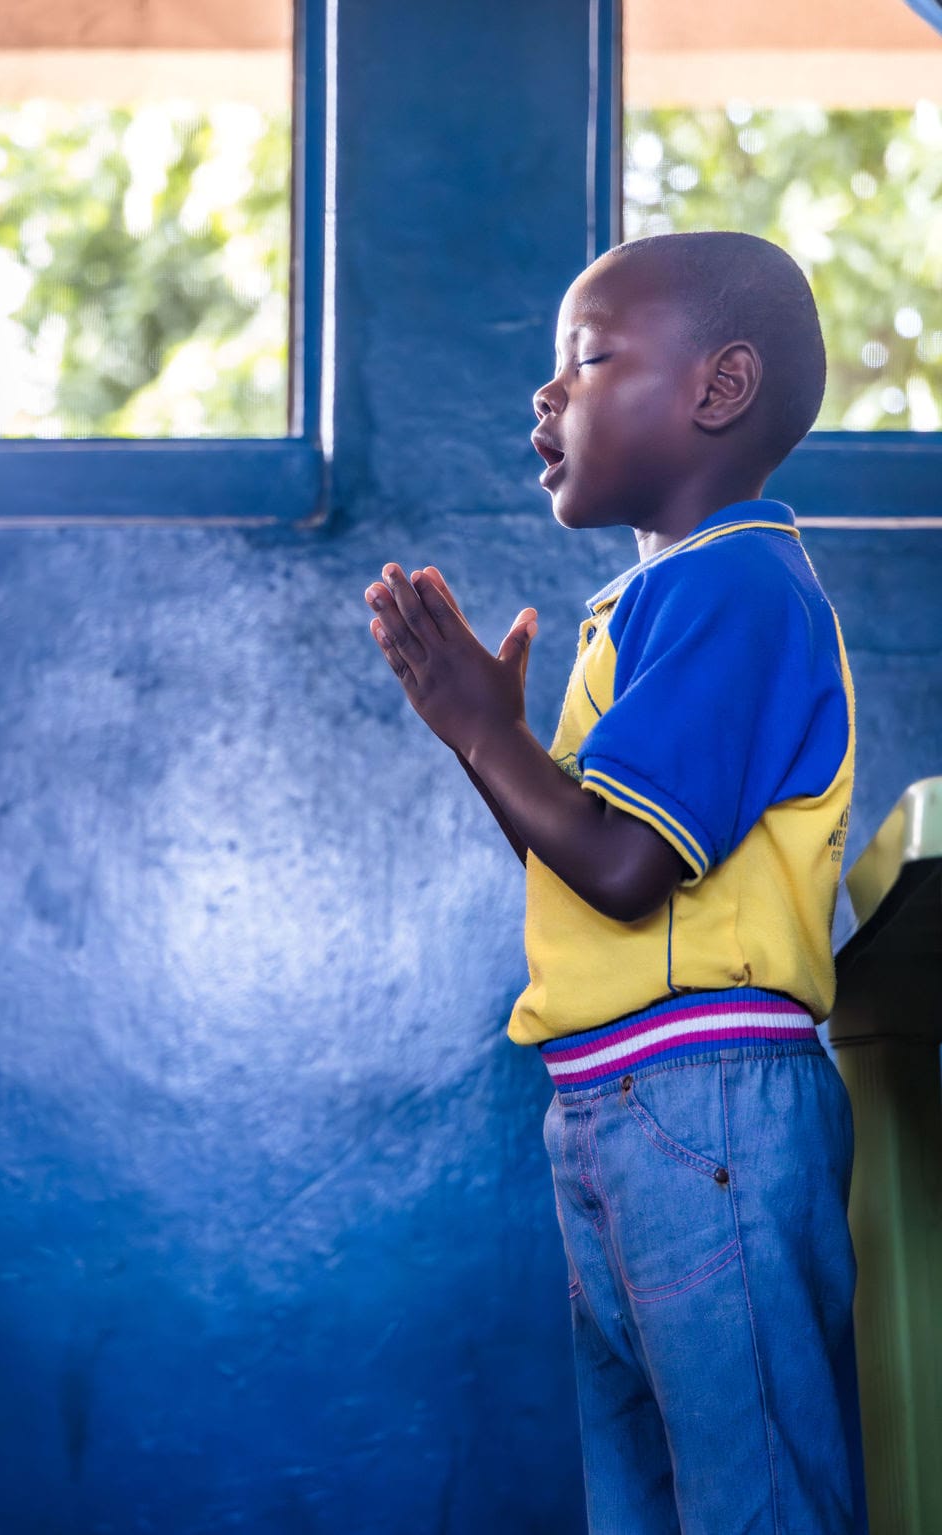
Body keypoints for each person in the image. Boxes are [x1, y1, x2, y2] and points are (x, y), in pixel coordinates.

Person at [363, 230, 867, 1535]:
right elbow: (576, 859)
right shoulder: (653, 603)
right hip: (620, 1102)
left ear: (718, 388)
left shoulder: (738, 587)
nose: (547, 397)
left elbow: (629, 868)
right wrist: (480, 737)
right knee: (648, 1498)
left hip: (708, 1106)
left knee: (757, 1494)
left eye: (583, 360)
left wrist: (493, 735)